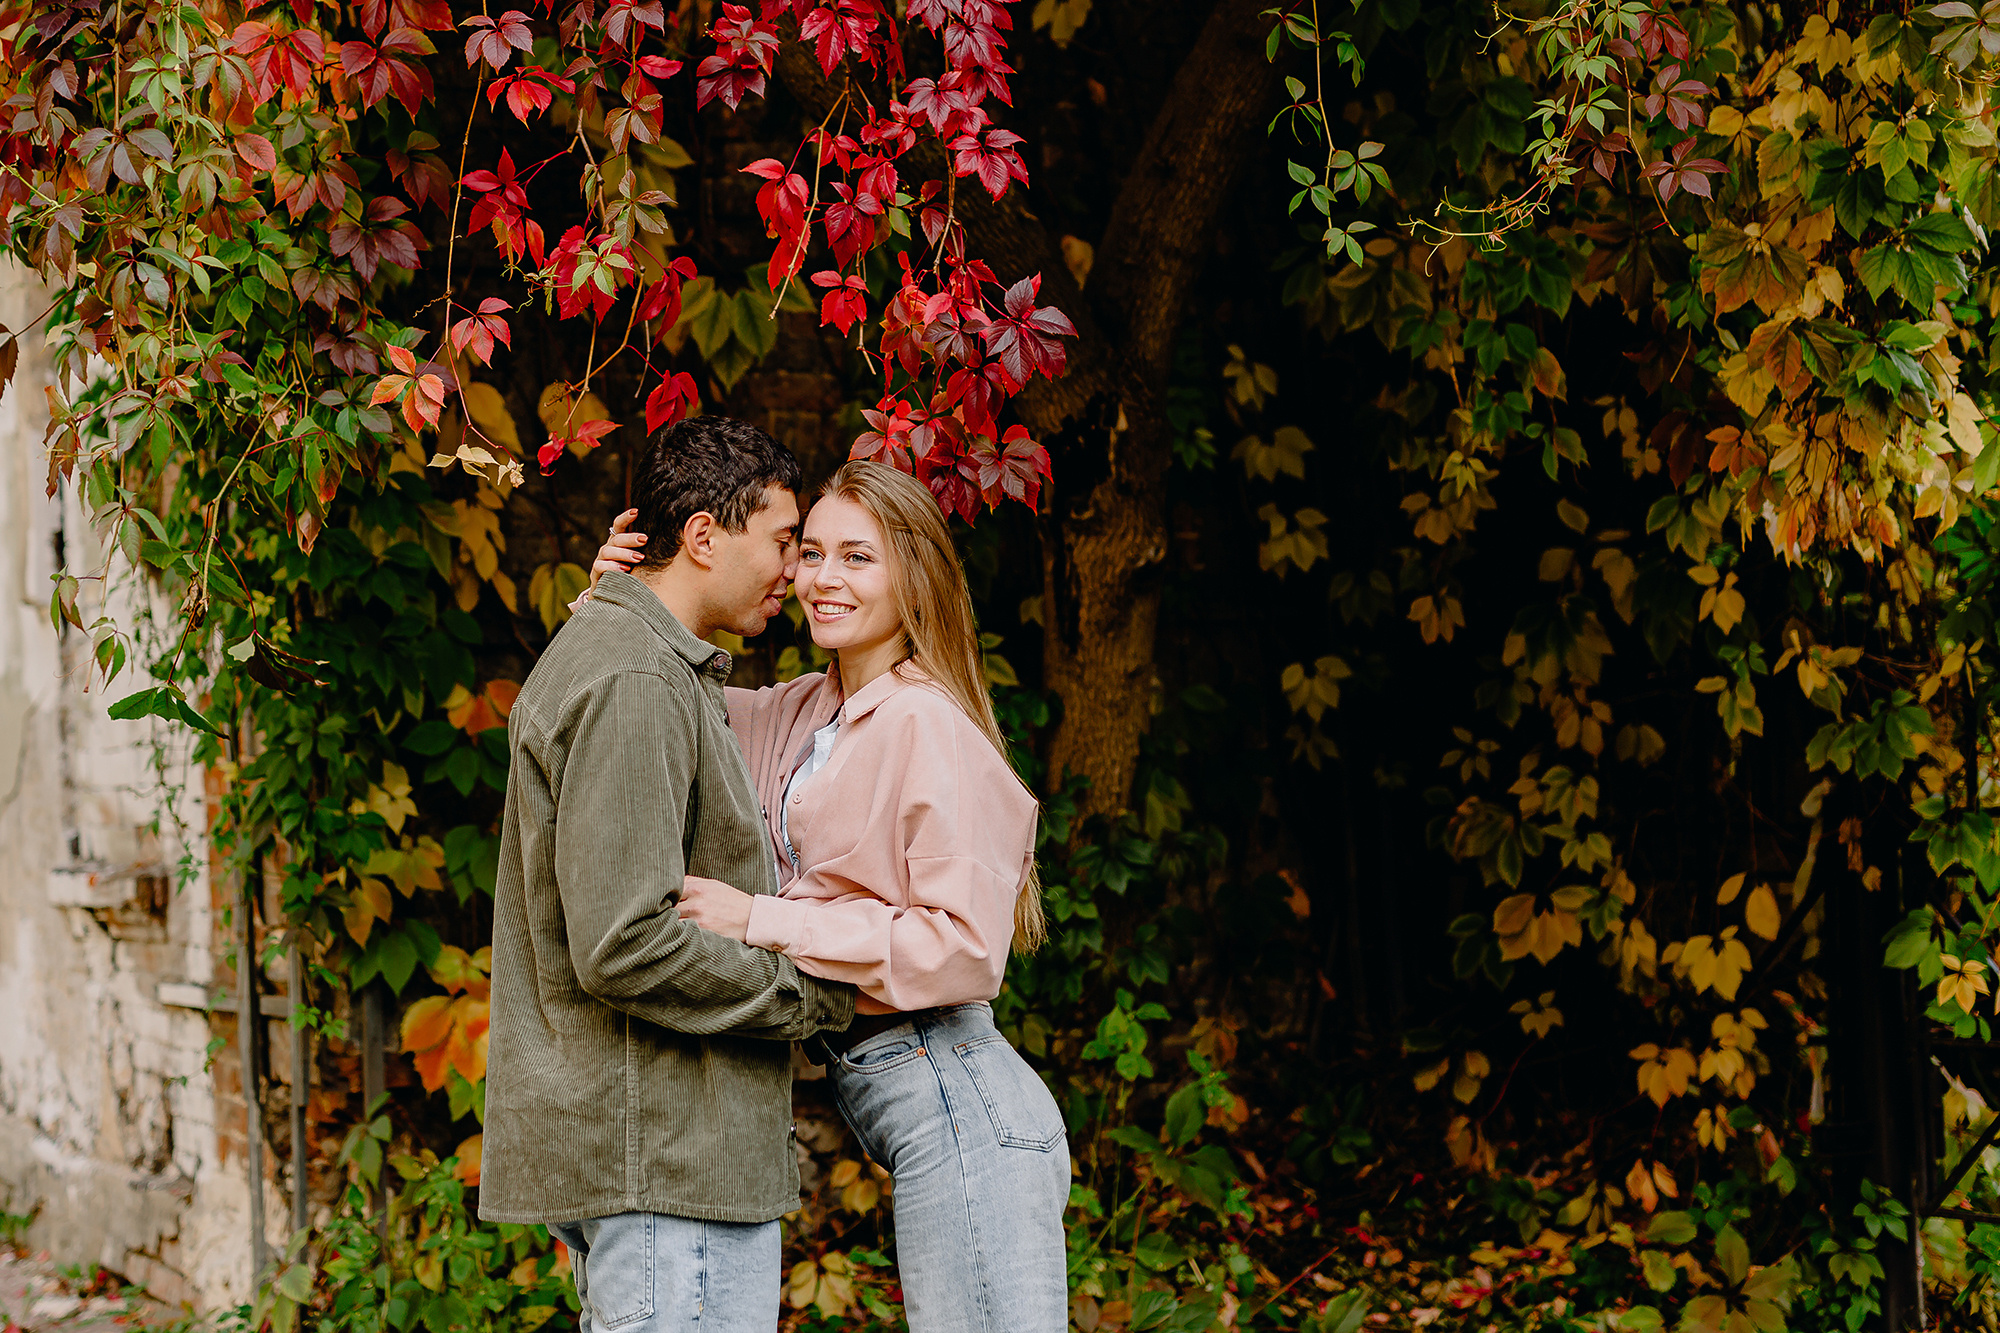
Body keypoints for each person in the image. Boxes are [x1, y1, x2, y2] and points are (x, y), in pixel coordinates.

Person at [587, 459, 1070, 1333]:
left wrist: (761, 921)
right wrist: (617, 605)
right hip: (901, 1097)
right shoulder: (806, 708)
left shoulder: (929, 721)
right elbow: (658, 697)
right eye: (810, 553)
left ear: (911, 575)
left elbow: (965, 948)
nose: (821, 580)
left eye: (858, 557)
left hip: (962, 1101)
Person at [481, 417, 857, 1333]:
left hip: (663, 1155)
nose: (795, 572)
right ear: (701, 537)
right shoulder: (637, 679)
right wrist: (804, 990)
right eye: (781, 542)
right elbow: (625, 942)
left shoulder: (639, 659)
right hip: (668, 1163)